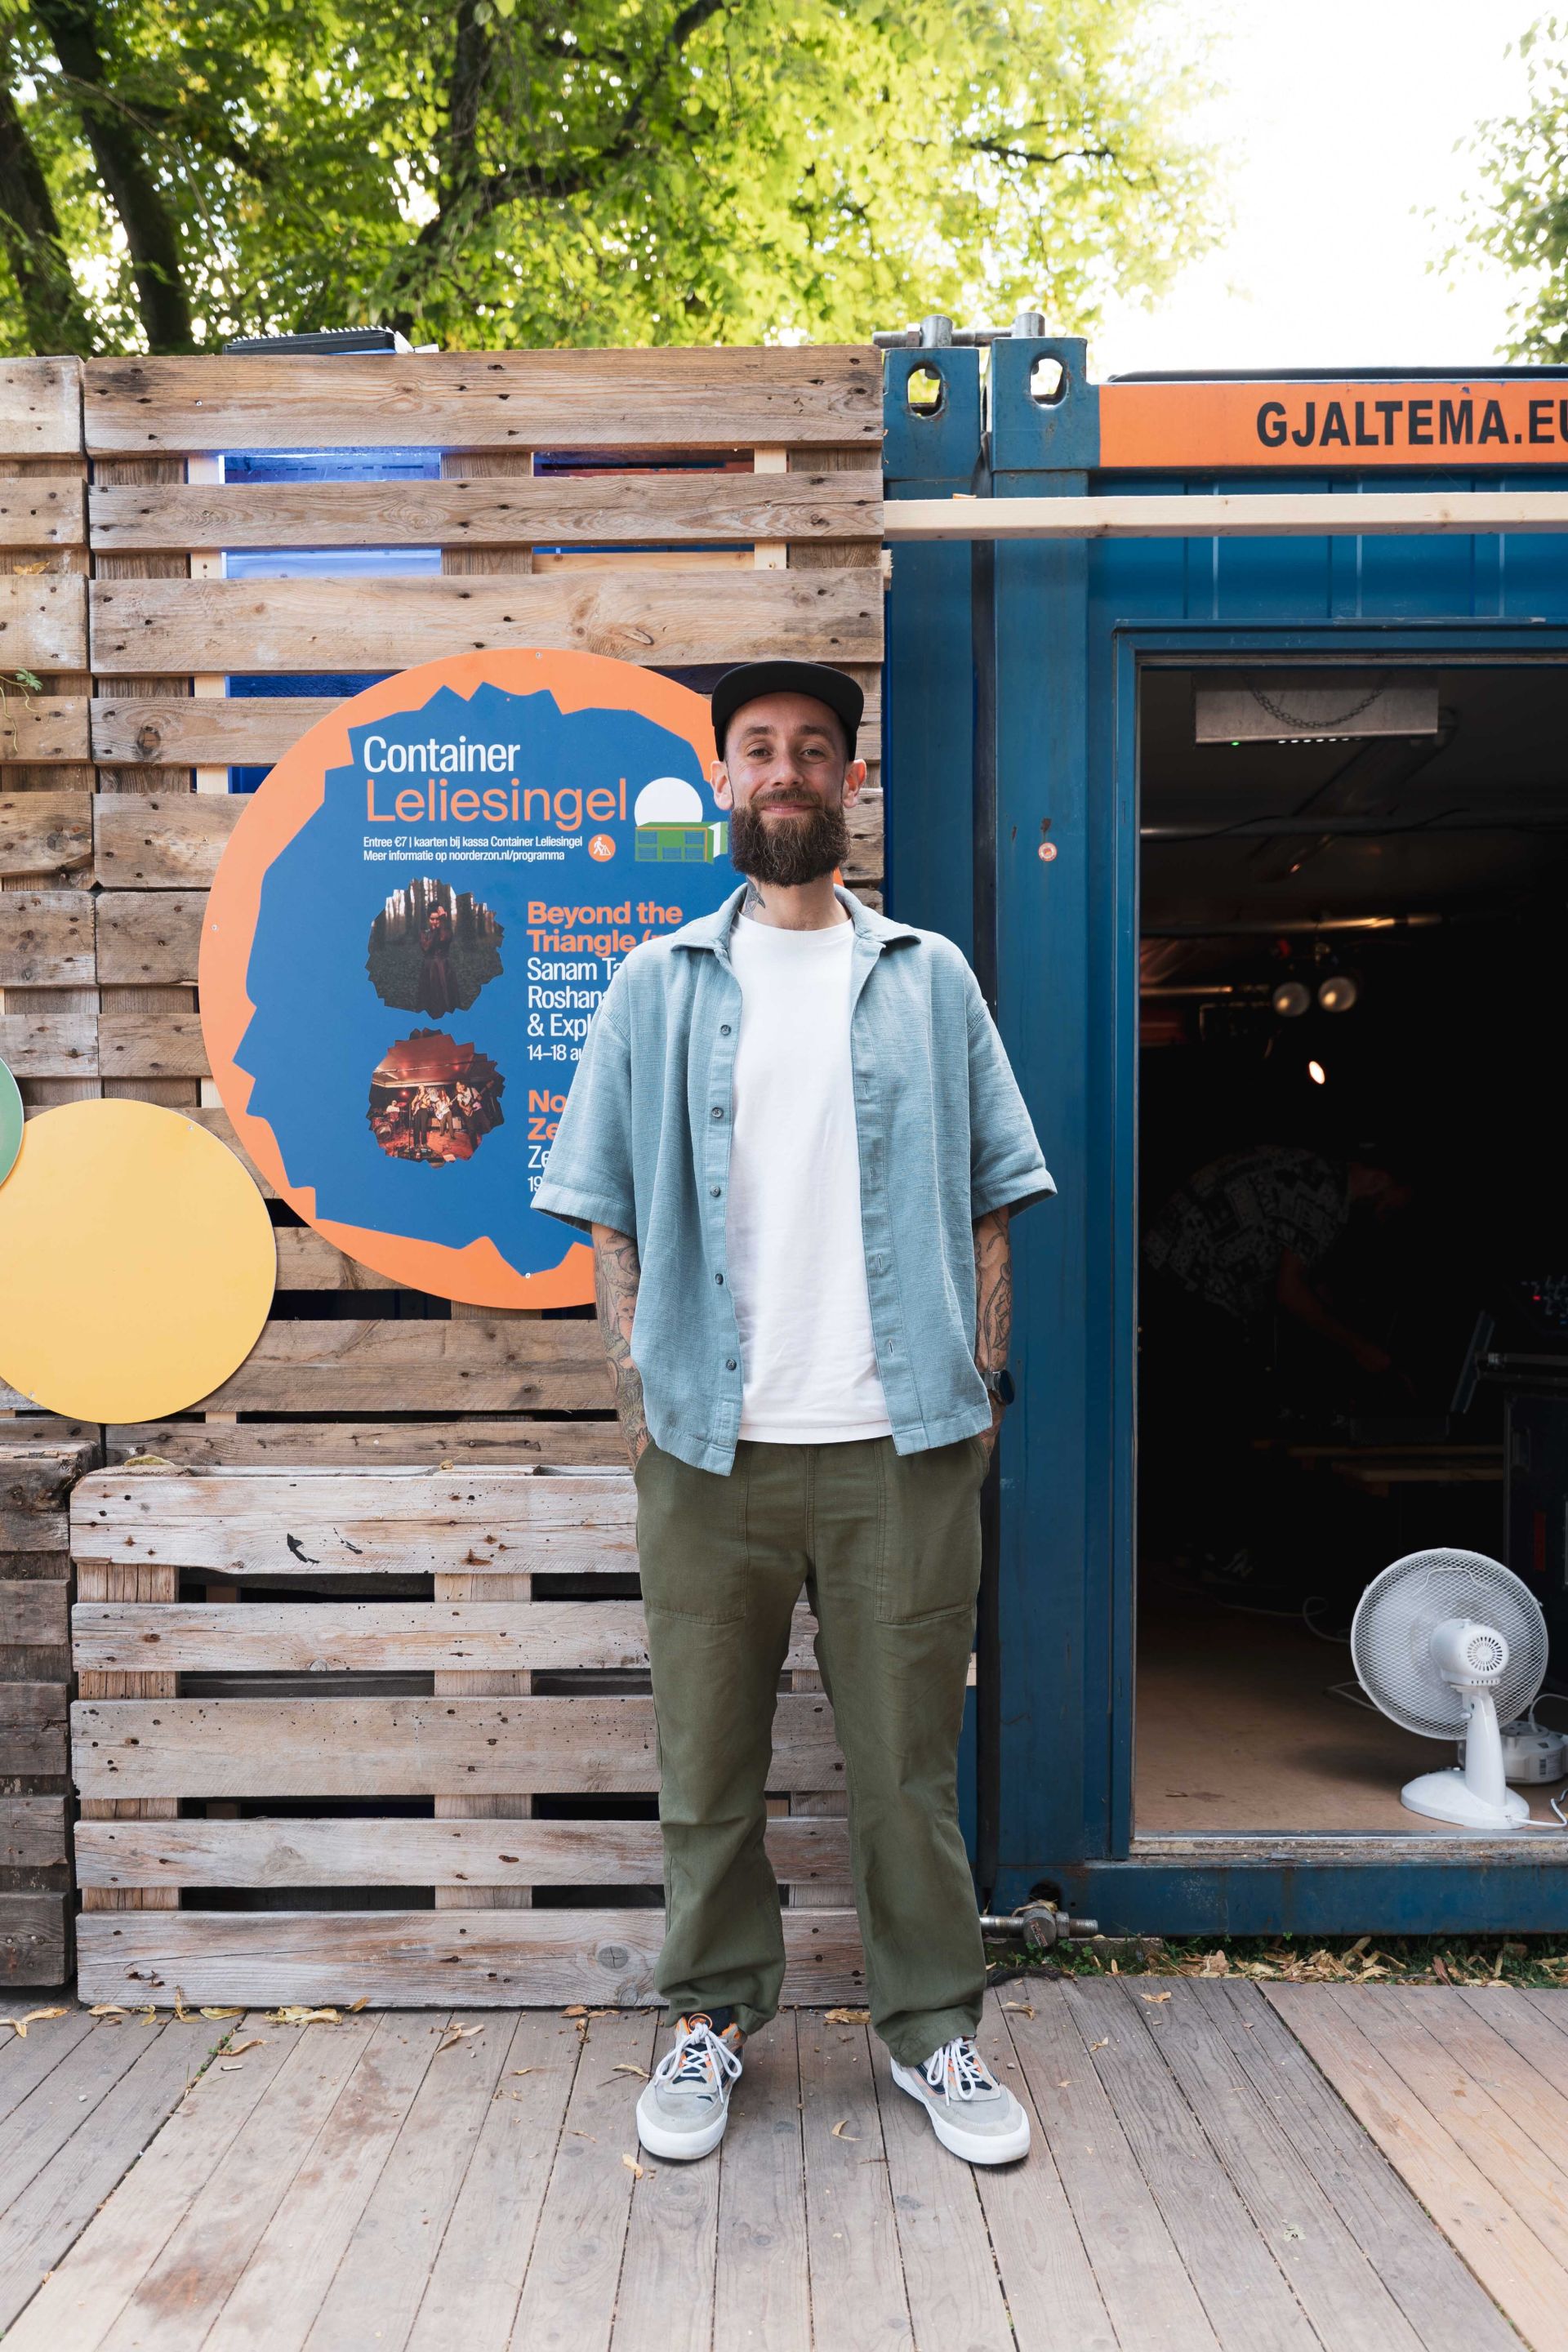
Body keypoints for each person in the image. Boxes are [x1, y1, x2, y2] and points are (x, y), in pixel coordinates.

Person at [535, 657, 1053, 2171]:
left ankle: (934, 2031)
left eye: (814, 749)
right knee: (706, 1769)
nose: (785, 770)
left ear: (850, 781)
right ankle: (709, 2016)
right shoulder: (656, 984)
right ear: (723, 778)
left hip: (904, 1451)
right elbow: (605, 1211)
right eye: (758, 747)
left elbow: (995, 1200)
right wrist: (635, 1397)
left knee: (906, 1776)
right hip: (710, 1450)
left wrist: (982, 1390)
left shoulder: (930, 979)